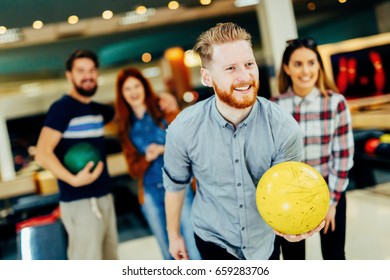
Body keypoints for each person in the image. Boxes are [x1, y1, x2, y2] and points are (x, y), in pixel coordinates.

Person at [163, 22, 325, 260]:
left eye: (249, 64)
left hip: (263, 240)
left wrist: (294, 227)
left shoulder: (282, 126)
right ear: (207, 77)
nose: (245, 76)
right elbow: (175, 185)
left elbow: (289, 189)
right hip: (212, 236)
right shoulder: (183, 129)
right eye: (230, 68)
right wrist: (173, 234)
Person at [272, 37, 355, 260]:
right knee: (293, 260)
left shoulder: (335, 102)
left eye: (311, 62)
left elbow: (344, 156)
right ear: (287, 68)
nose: (305, 70)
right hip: (290, 197)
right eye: (298, 64)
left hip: (330, 191)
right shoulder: (275, 108)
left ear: (319, 65)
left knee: (334, 256)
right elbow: (273, 161)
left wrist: (331, 202)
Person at [35, 49, 119, 260]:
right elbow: (42, 154)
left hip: (104, 197)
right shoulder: (62, 109)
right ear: (69, 75)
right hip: (79, 202)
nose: (87, 76)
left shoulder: (96, 110)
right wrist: (74, 180)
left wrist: (162, 98)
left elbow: (126, 110)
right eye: (80, 71)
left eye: (91, 70)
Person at [114, 67, 201, 260]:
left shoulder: (164, 109)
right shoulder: (125, 127)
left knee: (192, 250)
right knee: (168, 253)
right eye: (127, 89)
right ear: (122, 94)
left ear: (144, 87)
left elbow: (188, 143)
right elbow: (133, 170)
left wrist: (163, 149)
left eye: (136, 86)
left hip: (180, 187)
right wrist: (145, 159)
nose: (133, 92)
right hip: (151, 193)